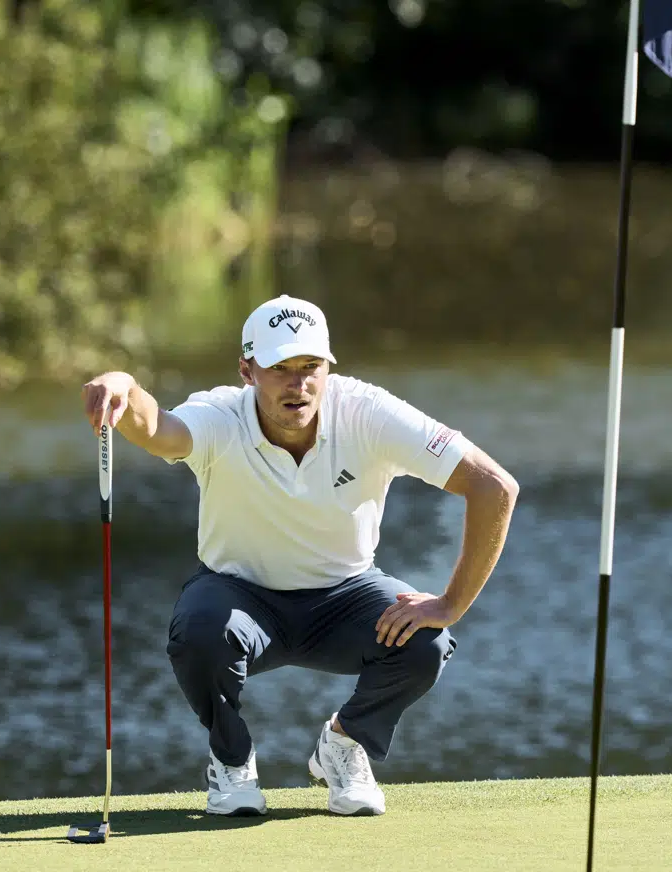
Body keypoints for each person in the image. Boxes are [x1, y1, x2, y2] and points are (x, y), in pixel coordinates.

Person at [80, 294, 518, 817]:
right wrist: (125, 386)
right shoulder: (221, 416)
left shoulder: (368, 412)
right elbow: (159, 431)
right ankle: (231, 761)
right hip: (238, 596)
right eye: (280, 368)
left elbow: (494, 487)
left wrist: (449, 604)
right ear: (247, 371)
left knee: (427, 641)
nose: (299, 383)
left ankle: (344, 744)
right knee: (199, 634)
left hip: (347, 596)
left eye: (311, 366)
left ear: (329, 368)